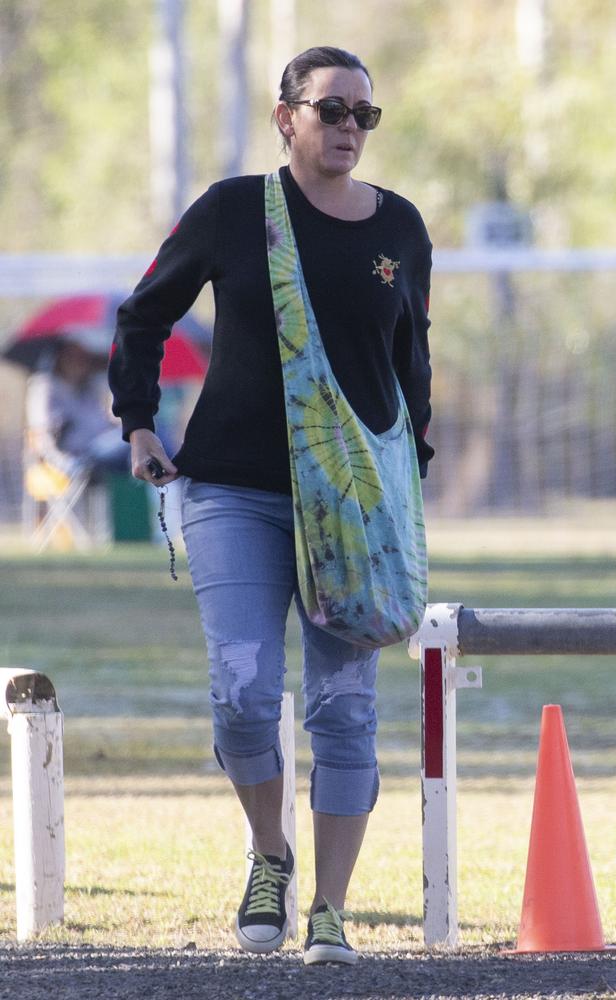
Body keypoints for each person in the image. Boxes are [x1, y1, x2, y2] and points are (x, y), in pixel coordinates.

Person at [109, 45, 434, 964]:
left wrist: (413, 479)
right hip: (232, 488)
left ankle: (330, 907)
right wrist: (138, 424)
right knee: (245, 690)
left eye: (363, 116)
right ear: (285, 115)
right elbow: (144, 315)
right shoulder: (229, 212)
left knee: (343, 710)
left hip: (357, 508)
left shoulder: (401, 230)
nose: (347, 130)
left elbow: (412, 368)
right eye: (331, 110)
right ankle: (270, 855)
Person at [27, 337, 130, 481]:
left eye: (84, 356)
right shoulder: (46, 387)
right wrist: (65, 464)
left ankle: (164, 490)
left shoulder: (92, 385)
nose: (80, 361)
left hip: (103, 449)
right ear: (59, 357)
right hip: (78, 457)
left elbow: (109, 420)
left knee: (143, 436)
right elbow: (42, 437)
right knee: (137, 440)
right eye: (73, 356)